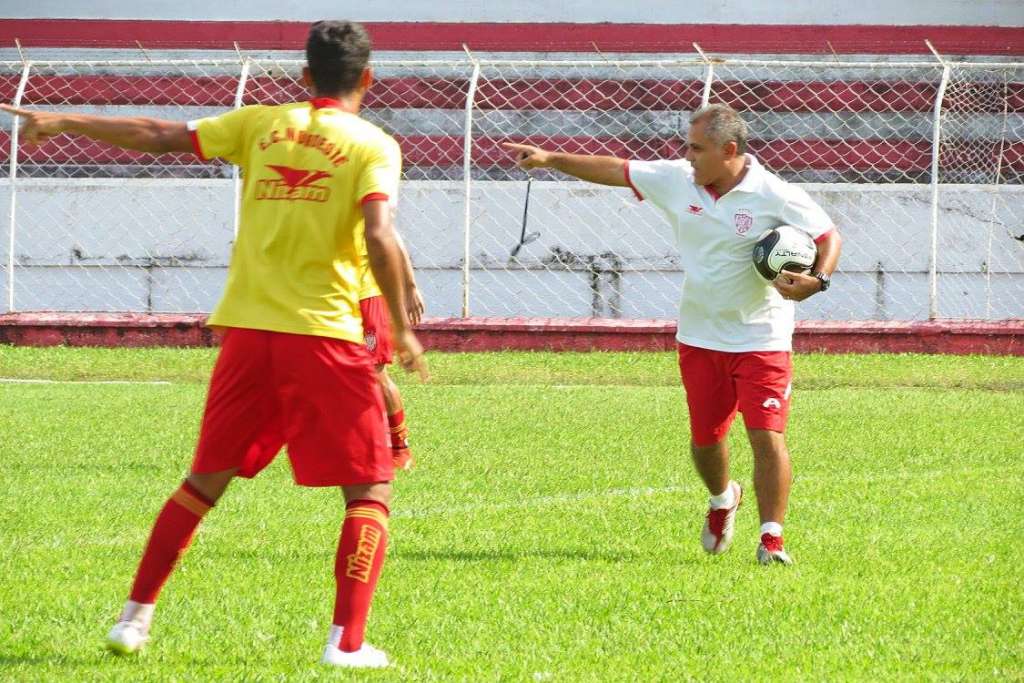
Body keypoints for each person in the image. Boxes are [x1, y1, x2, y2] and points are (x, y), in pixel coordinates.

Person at [2, 19, 426, 668]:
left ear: (304, 76)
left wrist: (62, 121)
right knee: (369, 491)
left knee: (202, 483)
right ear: (368, 78)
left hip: (248, 334)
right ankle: (347, 641)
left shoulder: (259, 124)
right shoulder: (374, 144)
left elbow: (155, 135)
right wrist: (400, 324)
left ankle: (132, 618)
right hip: (323, 334)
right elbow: (379, 232)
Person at [504, 104, 842, 565]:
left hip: (761, 338)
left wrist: (817, 281)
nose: (687, 156)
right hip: (700, 337)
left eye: (696, 148)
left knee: (767, 436)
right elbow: (617, 170)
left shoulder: (774, 194)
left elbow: (827, 237)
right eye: (687, 146)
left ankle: (772, 540)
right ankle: (724, 498)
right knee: (706, 443)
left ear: (729, 151)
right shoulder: (678, 180)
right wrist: (549, 159)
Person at [358, 230, 424, 471]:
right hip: (331, 299)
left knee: (374, 373)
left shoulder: (359, 201)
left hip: (366, 296)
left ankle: (400, 448)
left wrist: (410, 287)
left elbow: (390, 237)